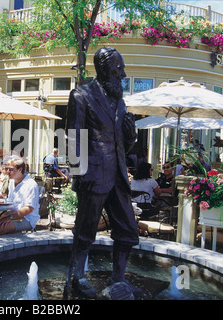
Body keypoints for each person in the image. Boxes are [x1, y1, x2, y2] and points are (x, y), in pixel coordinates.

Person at [66, 47, 140, 300]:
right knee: (85, 229)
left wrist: (130, 135)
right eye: (119, 67)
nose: (123, 73)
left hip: (118, 175)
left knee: (129, 230)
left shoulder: (119, 100)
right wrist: (79, 173)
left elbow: (123, 144)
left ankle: (118, 279)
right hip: (94, 175)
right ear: (105, 68)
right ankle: (78, 276)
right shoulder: (81, 95)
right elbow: (73, 137)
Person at [0, 156, 39, 236]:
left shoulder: (30, 184)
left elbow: (28, 209)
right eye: (7, 169)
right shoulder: (12, 182)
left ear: (20, 169)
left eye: (11, 169)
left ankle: (1, 246)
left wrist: (10, 217)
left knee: (0, 227)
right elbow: (9, 200)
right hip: (10, 213)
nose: (7, 172)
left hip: (26, 218)